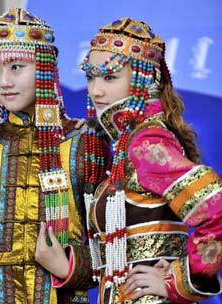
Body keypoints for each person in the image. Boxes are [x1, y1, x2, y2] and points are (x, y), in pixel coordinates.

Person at [0, 8, 111, 303]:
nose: (3, 82)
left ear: (45, 68)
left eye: (16, 67)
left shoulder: (84, 145)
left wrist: (67, 266)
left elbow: (114, 242)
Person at [77, 17, 222, 304]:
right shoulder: (129, 139)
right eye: (90, 77)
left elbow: (215, 205)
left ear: (147, 78)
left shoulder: (145, 143)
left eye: (109, 77)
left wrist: (177, 278)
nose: (95, 90)